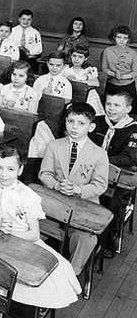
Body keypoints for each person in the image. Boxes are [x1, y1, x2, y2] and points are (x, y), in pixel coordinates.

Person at [0, 145, 81, 318]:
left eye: (10, 169)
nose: (3, 174)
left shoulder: (28, 197)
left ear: (20, 169)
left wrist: (11, 233)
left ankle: (0, 311)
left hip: (23, 242)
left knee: (34, 278)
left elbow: (34, 234)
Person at [39, 103, 109, 275]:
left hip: (83, 208)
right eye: (71, 121)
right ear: (65, 122)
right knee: (28, 224)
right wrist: (57, 185)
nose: (74, 127)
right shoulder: (54, 145)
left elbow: (100, 185)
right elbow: (44, 173)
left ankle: (70, 275)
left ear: (91, 127)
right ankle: (35, 266)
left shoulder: (99, 154)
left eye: (81, 123)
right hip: (54, 203)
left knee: (86, 239)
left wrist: (78, 189)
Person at [90, 90, 137, 257]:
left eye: (117, 105)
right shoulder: (98, 122)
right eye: (108, 104)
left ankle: (108, 240)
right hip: (93, 171)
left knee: (112, 202)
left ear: (128, 108)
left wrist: (101, 159)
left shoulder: (133, 129)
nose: (111, 108)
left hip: (121, 177)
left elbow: (129, 158)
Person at [0, 61, 54, 158]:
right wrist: (5, 108)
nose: (16, 78)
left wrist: (14, 109)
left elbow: (31, 115)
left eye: (21, 76)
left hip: (25, 125)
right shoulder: (4, 88)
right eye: (14, 74)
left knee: (33, 146)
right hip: (5, 122)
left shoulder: (32, 93)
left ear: (28, 77)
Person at [102, 25, 137, 113]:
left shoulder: (133, 53)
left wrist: (122, 77)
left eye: (125, 38)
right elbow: (104, 69)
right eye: (119, 37)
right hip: (112, 85)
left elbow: (135, 72)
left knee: (129, 111)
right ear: (114, 38)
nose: (121, 40)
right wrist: (114, 74)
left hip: (128, 86)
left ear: (128, 39)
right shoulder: (107, 51)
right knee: (110, 109)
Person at [61, 46, 104, 115]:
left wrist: (78, 81)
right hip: (71, 94)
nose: (76, 59)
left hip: (86, 94)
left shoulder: (88, 69)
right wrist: (67, 79)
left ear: (85, 58)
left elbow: (96, 83)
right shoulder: (66, 68)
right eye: (74, 56)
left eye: (80, 57)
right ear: (70, 56)